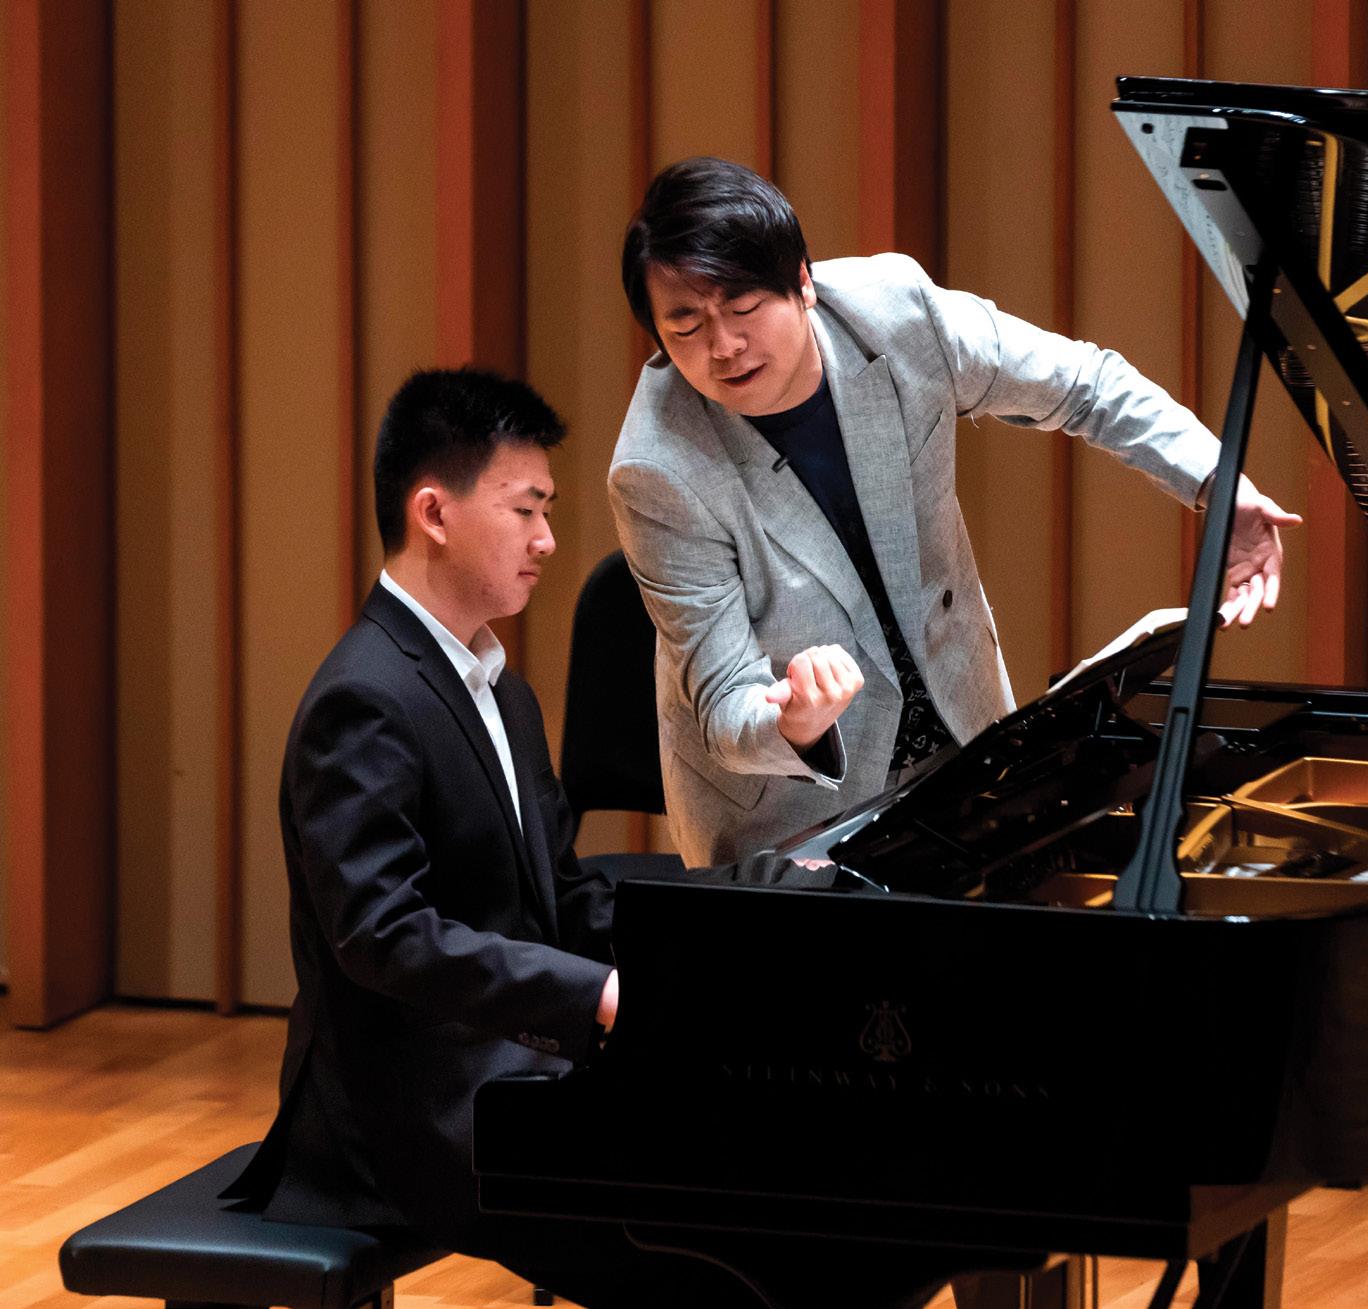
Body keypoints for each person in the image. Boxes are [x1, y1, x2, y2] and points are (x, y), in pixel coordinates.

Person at [223, 367, 963, 1309]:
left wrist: (758, 893)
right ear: (434, 513)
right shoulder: (364, 698)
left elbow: (563, 896)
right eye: (525, 509)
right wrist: (598, 993)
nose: (547, 539)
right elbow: (383, 936)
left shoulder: (501, 690)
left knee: (802, 1196)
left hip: (518, 1065)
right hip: (412, 1111)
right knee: (723, 1242)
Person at [609, 156, 1302, 866]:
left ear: (803, 283)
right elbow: (723, 698)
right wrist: (793, 721)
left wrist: (1217, 484)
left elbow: (1084, 386)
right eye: (686, 324)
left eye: (743, 307)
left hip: (962, 740)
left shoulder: (898, 315)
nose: (723, 346)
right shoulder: (657, 469)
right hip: (792, 813)